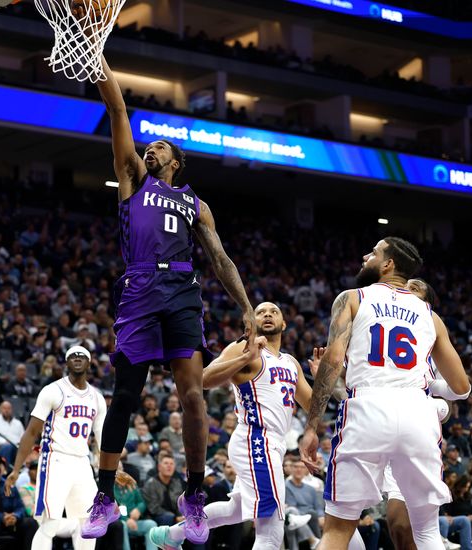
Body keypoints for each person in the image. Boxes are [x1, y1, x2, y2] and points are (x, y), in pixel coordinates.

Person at [82, 53, 257, 545]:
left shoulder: (195, 203)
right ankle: (104, 497)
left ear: (177, 163)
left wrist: (245, 306)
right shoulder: (133, 179)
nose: (151, 150)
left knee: (194, 396)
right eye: (149, 147)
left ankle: (194, 496)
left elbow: (220, 259)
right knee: (127, 395)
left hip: (183, 289)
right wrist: (96, 57)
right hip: (139, 286)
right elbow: (118, 111)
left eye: (160, 147)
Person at [300, 237, 471, 550]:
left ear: (388, 263)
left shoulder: (352, 298)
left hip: (368, 406)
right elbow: (462, 387)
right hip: (418, 412)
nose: (366, 256)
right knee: (427, 532)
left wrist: (311, 426)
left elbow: (333, 360)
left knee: (337, 529)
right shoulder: (430, 315)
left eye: (374, 252)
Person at [149, 302, 315, 550]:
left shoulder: (291, 362)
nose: (267, 314)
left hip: (273, 443)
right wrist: (245, 358)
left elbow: (312, 405)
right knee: (271, 530)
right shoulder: (243, 347)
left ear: (284, 324)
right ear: (253, 322)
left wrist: (323, 376)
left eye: (274, 312)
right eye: (260, 312)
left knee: (235, 509)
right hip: (256, 439)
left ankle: (172, 535)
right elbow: (203, 379)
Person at [3, 345, 107, 550]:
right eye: (72, 356)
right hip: (55, 460)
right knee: (49, 522)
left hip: (82, 462)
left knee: (86, 522)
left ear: (89, 363)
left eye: (82, 356)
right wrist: (16, 469)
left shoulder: (97, 398)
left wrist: (113, 469)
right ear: (66, 363)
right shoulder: (53, 390)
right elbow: (31, 432)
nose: (77, 358)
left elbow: (102, 439)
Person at [113, 463, 157, 550]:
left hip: (135, 522)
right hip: (119, 523)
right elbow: (110, 510)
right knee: (122, 525)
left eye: (120, 468)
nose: (119, 472)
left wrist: (138, 510)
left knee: (151, 524)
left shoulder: (131, 483)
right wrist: (126, 520)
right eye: (116, 469)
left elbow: (141, 502)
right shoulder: (109, 487)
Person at [0, 400, 25, 466]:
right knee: (7, 447)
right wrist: (3, 442)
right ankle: (6, 468)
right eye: (4, 408)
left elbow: (23, 437)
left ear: (12, 410)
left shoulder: (18, 423)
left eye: (9, 408)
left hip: (17, 446)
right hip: (0, 447)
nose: (7, 410)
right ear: (0, 409)